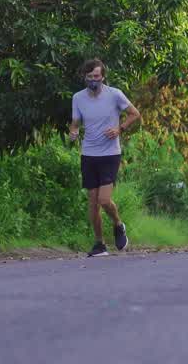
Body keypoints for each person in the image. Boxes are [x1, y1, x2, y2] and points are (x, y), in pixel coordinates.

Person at [69, 58, 141, 257]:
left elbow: (135, 114)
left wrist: (120, 129)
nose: (94, 80)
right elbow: (75, 123)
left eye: (97, 76)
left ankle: (118, 224)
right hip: (89, 154)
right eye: (90, 77)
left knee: (104, 199)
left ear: (103, 77)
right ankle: (100, 244)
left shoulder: (114, 94)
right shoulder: (78, 98)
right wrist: (73, 132)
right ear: (85, 77)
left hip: (110, 154)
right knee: (92, 203)